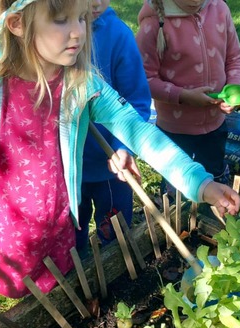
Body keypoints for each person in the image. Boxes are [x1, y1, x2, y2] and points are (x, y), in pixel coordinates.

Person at [0, 0, 240, 328]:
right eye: (60, 20)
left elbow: (137, 130)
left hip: (49, 214)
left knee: (45, 287)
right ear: (17, 24)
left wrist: (200, 183)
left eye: (82, 18)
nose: (78, 32)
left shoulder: (81, 84)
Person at [135, 0, 240, 190]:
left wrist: (232, 90)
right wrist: (183, 96)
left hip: (215, 124)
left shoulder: (219, 9)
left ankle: (212, 215)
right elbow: (144, 79)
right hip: (175, 131)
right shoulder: (153, 22)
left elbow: (234, 57)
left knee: (213, 180)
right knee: (176, 189)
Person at [75, 0, 151, 258]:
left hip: (111, 167)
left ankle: (114, 291)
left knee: (115, 240)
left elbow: (138, 101)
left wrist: (125, 147)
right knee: (70, 243)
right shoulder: (50, 36)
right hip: (65, 171)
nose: (96, 2)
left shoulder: (118, 35)